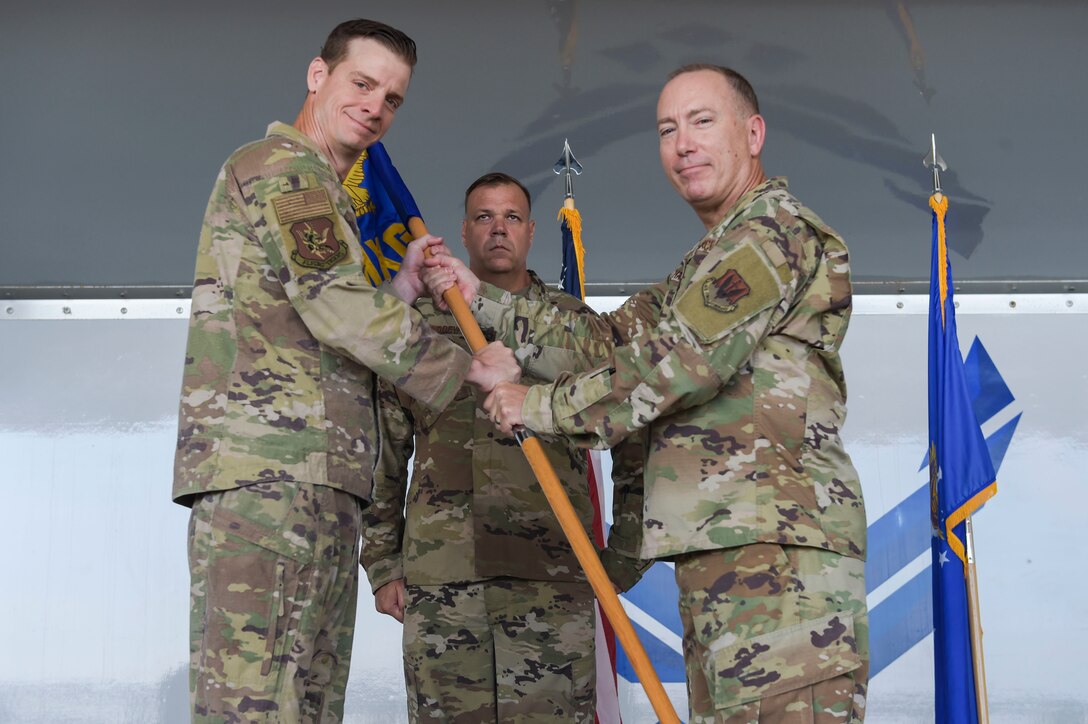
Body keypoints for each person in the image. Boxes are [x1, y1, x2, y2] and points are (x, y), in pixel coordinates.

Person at [440, 65, 868, 722]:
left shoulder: (770, 236)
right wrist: (485, 299)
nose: (682, 144)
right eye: (667, 129)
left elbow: (680, 363)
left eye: (702, 121)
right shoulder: (709, 258)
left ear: (753, 133)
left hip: (777, 561)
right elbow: (608, 343)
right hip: (731, 552)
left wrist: (539, 407)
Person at [172, 20, 517, 723]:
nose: (376, 106)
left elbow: (313, 313)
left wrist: (397, 288)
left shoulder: (324, 192)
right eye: (362, 83)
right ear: (317, 76)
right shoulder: (283, 168)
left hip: (318, 477)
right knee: (258, 703)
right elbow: (332, 301)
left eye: (392, 98)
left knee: (305, 703)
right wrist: (471, 371)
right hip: (273, 479)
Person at [361, 172, 648, 722]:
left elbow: (630, 438)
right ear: (464, 233)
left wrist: (624, 558)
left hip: (550, 576)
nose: (498, 230)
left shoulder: (575, 329)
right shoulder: (417, 330)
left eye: (512, 217)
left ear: (532, 232)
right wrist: (382, 563)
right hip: (444, 579)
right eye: (484, 218)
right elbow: (385, 452)